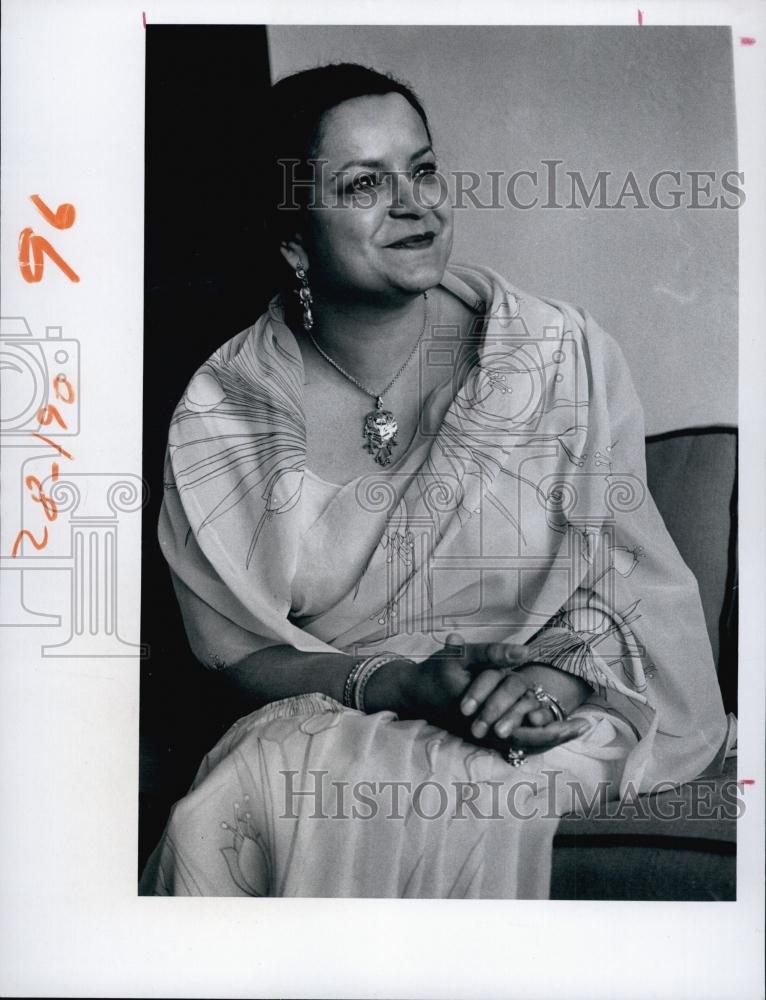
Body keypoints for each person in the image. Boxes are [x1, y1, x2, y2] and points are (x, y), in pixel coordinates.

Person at [140, 63, 729, 898]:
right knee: (238, 803)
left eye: (421, 170)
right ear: (292, 241)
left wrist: (541, 683)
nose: (416, 204)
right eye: (363, 185)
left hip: (546, 704)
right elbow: (236, 657)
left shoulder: (555, 357)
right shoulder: (227, 409)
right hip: (339, 714)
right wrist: (398, 684)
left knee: (478, 782)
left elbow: (623, 589)